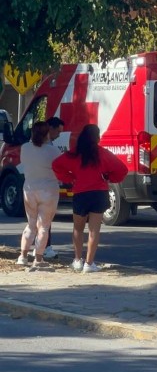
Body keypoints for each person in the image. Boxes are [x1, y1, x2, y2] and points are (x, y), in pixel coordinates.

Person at [52, 124, 128, 273]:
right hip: (98, 193)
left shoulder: (74, 154)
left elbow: (56, 165)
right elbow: (122, 169)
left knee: (77, 229)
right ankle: (89, 263)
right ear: (97, 138)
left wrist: (70, 178)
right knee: (94, 231)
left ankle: (77, 260)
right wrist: (109, 177)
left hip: (80, 193)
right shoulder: (103, 153)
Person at [16, 122, 62, 267]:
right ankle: (38, 258)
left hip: (29, 188)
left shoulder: (25, 148)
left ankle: (22, 256)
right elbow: (59, 167)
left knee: (31, 224)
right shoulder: (53, 151)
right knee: (44, 226)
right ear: (47, 134)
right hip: (49, 189)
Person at [40, 116, 65, 259]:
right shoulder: (50, 148)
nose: (59, 135)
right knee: (45, 221)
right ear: (50, 128)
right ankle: (45, 248)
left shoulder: (31, 145)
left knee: (39, 222)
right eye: (58, 132)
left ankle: (40, 248)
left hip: (33, 186)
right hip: (47, 187)